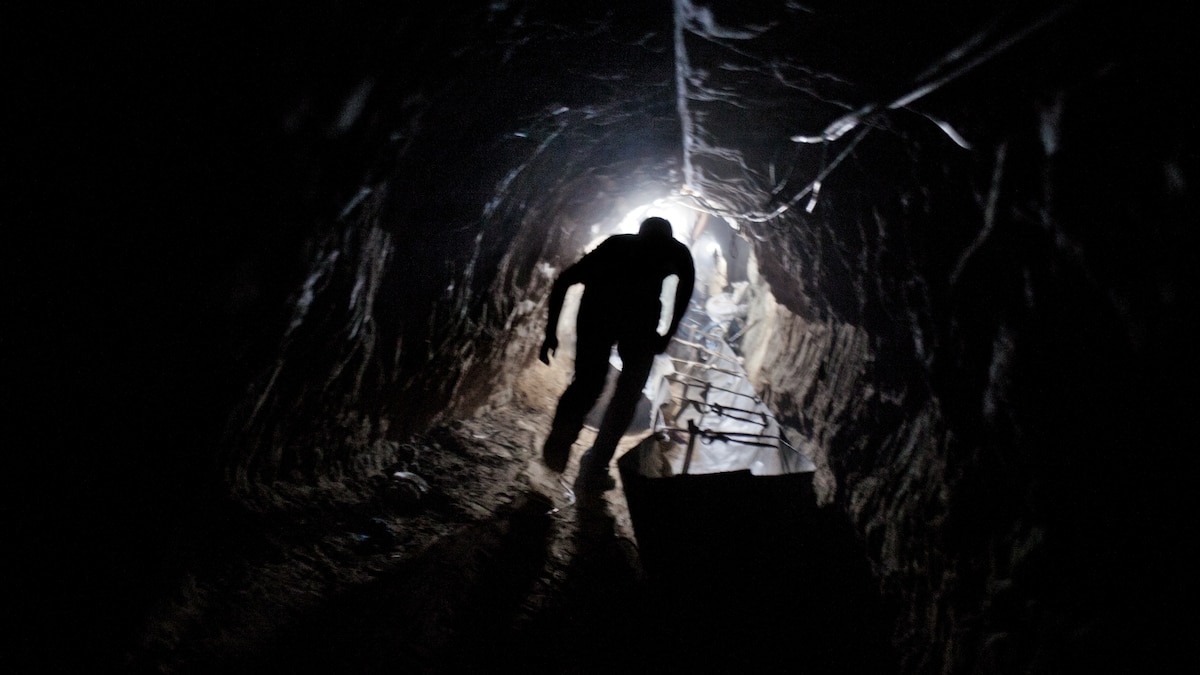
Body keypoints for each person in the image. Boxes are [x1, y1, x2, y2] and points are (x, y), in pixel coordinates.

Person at [539, 216, 696, 491]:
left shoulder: (622, 247)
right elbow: (685, 291)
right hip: (614, 317)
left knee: (600, 386)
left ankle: (569, 452)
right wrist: (666, 335)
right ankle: (586, 459)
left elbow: (565, 281)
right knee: (610, 389)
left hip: (614, 318)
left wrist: (550, 333)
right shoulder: (666, 251)